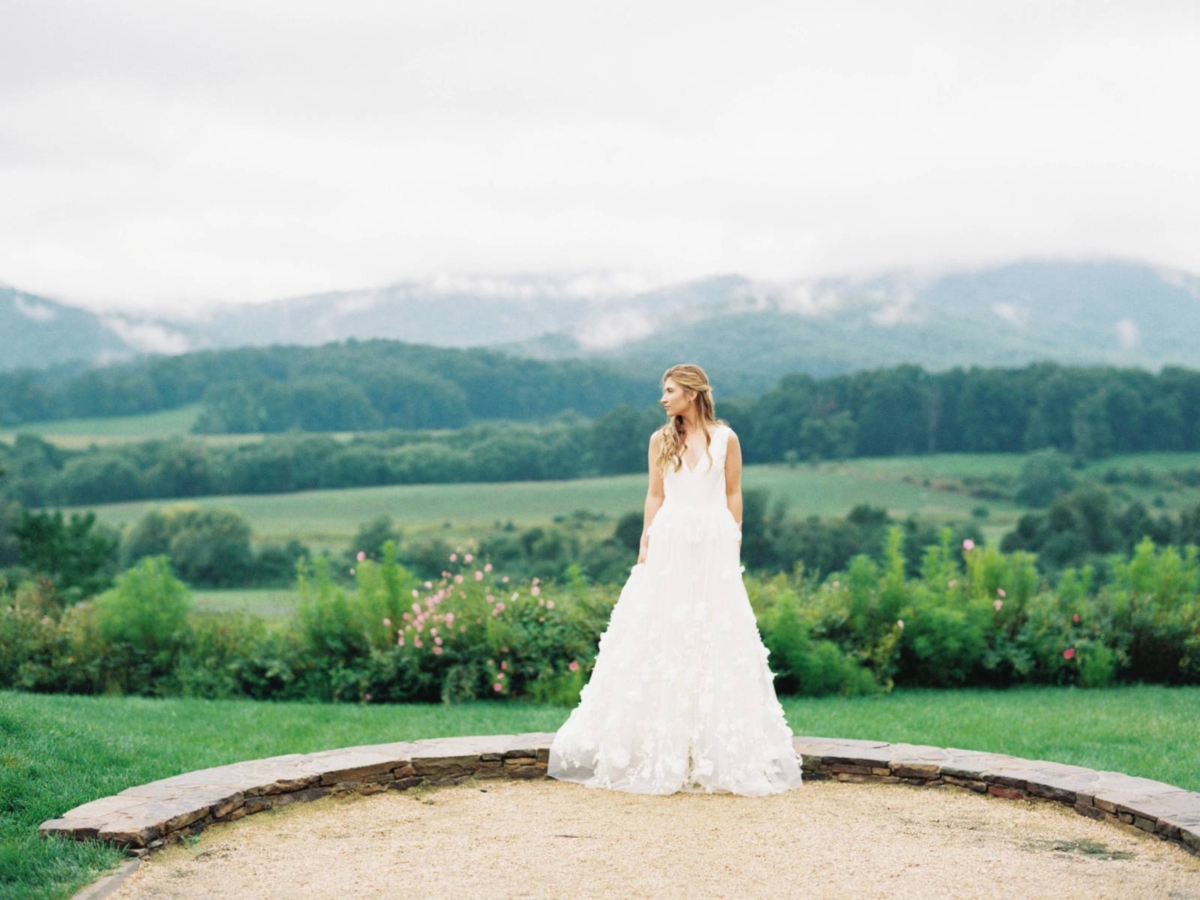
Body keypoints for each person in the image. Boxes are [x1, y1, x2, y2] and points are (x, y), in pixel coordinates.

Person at [548, 364, 804, 796]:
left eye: (670, 391)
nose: (663, 399)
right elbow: (655, 493)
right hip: (669, 541)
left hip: (711, 542)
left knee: (712, 634)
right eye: (663, 392)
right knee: (663, 633)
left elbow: (732, 491)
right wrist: (645, 542)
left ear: (692, 393)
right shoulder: (660, 440)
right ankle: (658, 747)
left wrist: (733, 537)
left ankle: (708, 749)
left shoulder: (726, 438)